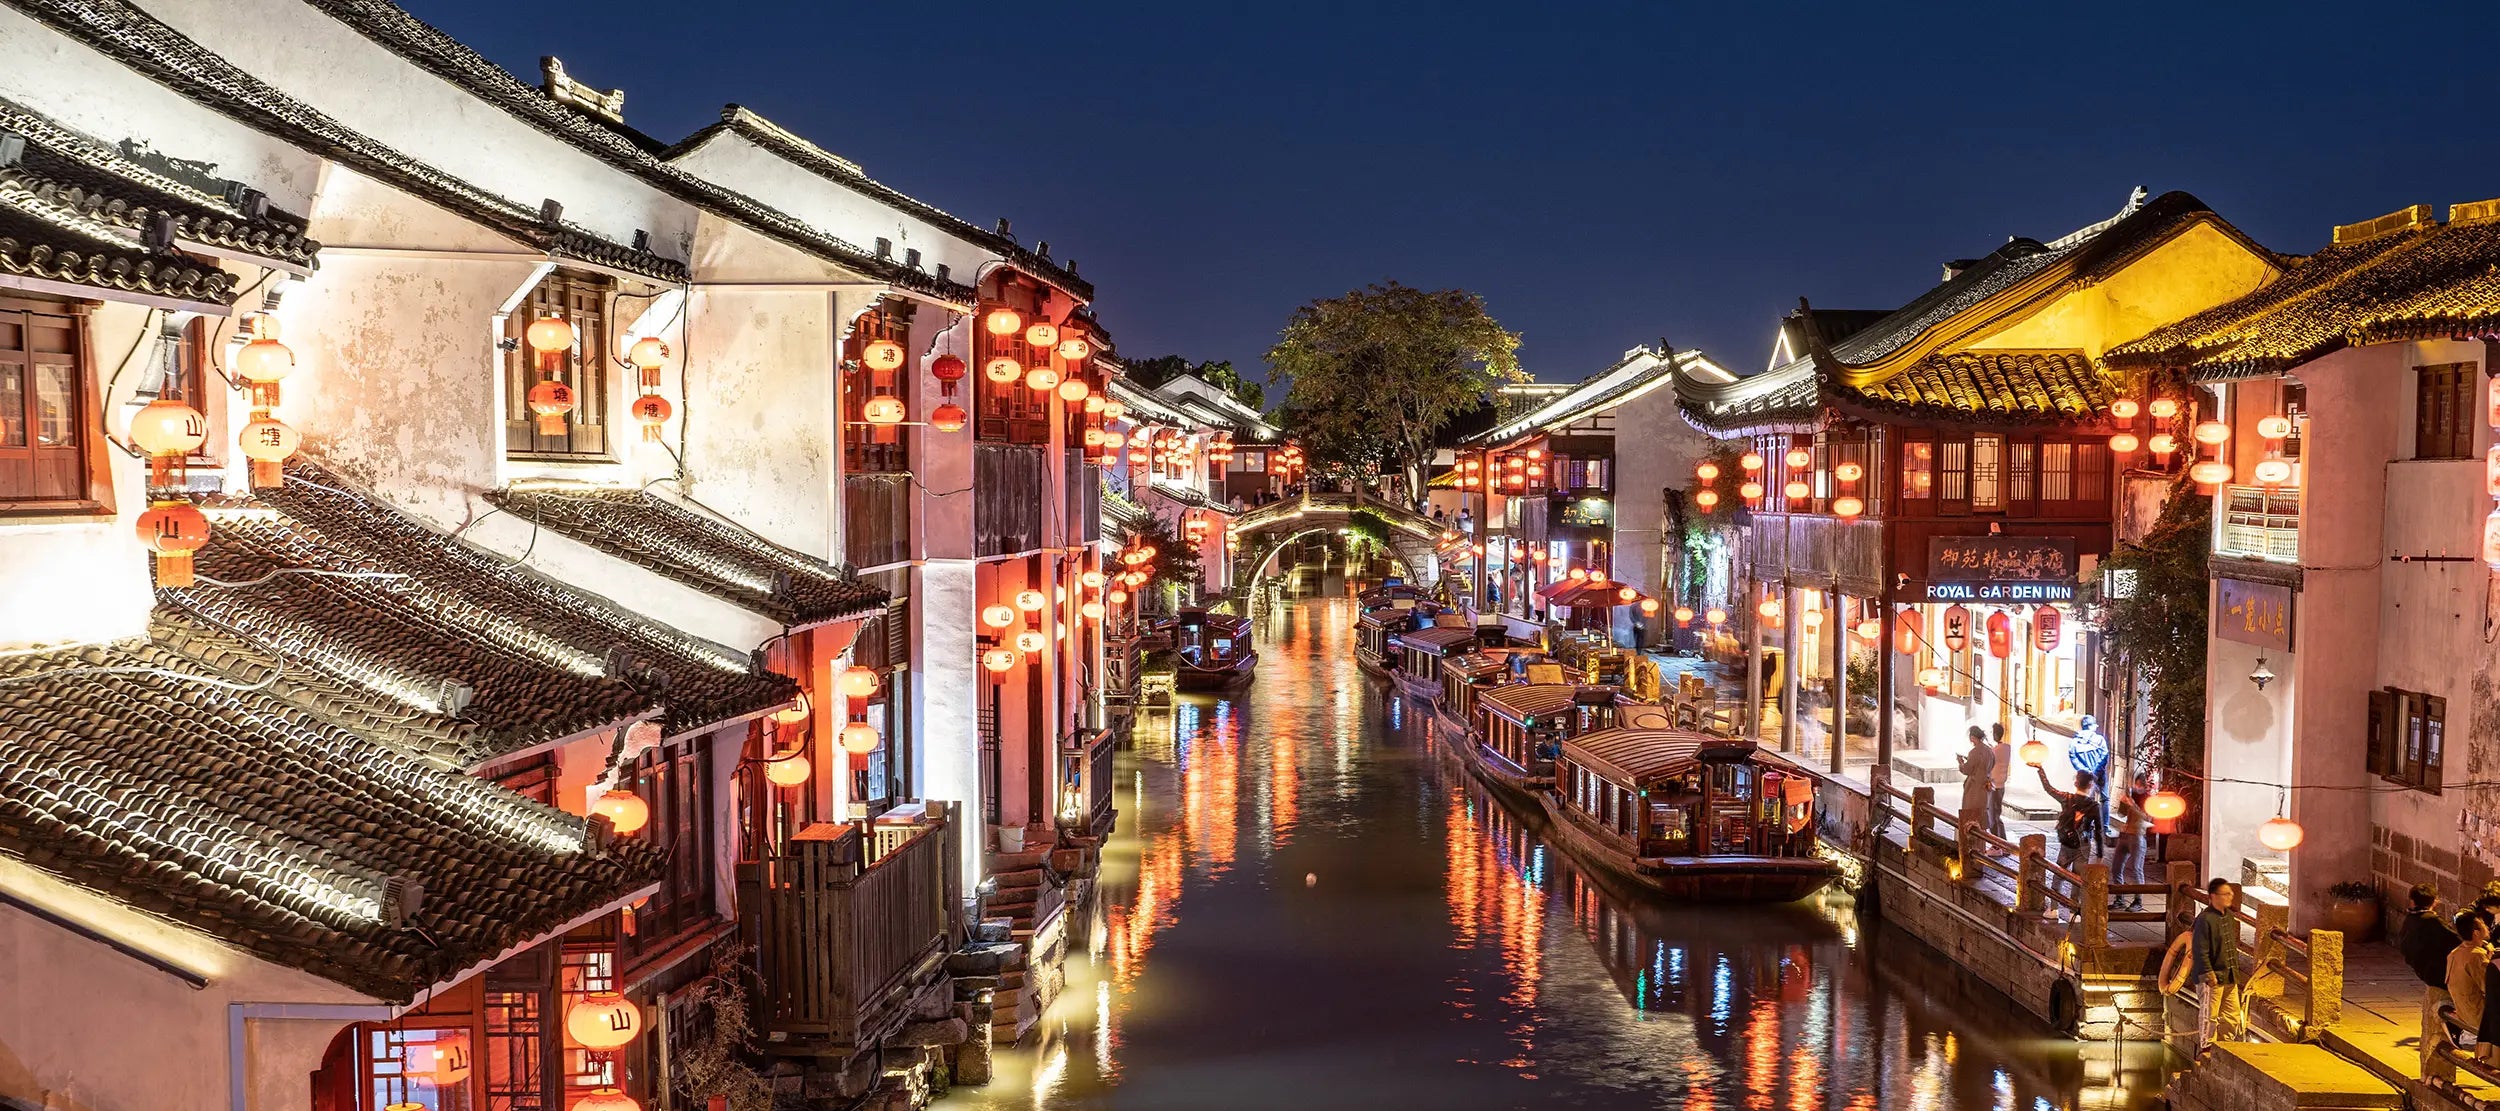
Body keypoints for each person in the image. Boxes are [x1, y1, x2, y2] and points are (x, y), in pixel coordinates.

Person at [2191, 879, 2245, 1051]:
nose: (2230, 897)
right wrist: (2209, 973)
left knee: (2232, 1014)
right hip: (2212, 975)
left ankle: (2225, 1045)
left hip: (2229, 974)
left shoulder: (2228, 916)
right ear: (2213, 896)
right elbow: (2200, 950)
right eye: (2226, 894)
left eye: (2230, 893)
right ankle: (2207, 1047)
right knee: (2210, 1014)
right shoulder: (2205, 919)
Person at [2036, 766, 2101, 901]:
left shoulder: (2066, 798)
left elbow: (2048, 788)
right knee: (2078, 878)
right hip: (2083, 846)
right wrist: (2100, 854)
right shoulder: (2094, 806)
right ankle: (2074, 909)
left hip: (2067, 843)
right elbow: (2099, 831)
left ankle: (2053, 909)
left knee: (2059, 873)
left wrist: (2041, 769)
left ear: (2075, 783)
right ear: (2090, 785)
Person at [2450, 912, 2493, 1049]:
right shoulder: (2476, 955)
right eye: (2483, 925)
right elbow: (2490, 988)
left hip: (2464, 1015)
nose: (2486, 927)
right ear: (2476, 933)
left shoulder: (2454, 954)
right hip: (2478, 1019)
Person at [2068, 715, 2112, 845]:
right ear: (2092, 726)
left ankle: (2086, 828)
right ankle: (2105, 827)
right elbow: (2104, 755)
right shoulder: (2099, 739)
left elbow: (2073, 757)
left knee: (2086, 801)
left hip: (2084, 776)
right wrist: (2095, 772)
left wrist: (2084, 771)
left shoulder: (2075, 742)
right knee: (2104, 799)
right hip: (2099, 775)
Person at [2108, 778, 2148, 911]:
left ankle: (2138, 901)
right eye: (2135, 784)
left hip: (2137, 836)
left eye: (2139, 784)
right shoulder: (2132, 796)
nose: (2136, 787)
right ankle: (2119, 899)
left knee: (2136, 869)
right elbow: (2121, 813)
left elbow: (2145, 817)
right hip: (2124, 835)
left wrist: (2132, 804)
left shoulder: (2148, 800)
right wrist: (2123, 802)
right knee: (2116, 868)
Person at [1957, 727, 1996, 833]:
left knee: (1971, 812)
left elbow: (1967, 769)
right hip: (1985, 784)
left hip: (1975, 786)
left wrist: (1960, 762)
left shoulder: (1974, 752)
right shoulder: (1989, 750)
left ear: (1973, 738)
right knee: (1982, 811)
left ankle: (1972, 836)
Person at [1987, 723, 2013, 838]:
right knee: (1996, 814)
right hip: (2001, 785)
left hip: (1994, 785)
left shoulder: (1995, 750)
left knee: (1993, 816)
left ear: (1996, 734)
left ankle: (1998, 843)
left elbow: (1989, 760)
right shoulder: (2007, 748)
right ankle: (2002, 843)